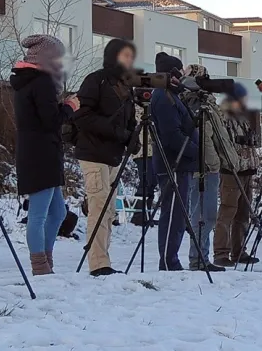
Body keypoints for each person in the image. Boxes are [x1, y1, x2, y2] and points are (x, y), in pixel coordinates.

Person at [11, 34, 78, 275]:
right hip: (41, 153)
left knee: (58, 212)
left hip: (39, 151)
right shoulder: (41, 83)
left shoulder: (26, 81)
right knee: (38, 214)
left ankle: (46, 259)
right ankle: (40, 265)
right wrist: (70, 107)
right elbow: (51, 121)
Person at [73, 39, 138, 276]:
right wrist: (116, 132)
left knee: (108, 210)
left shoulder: (125, 85)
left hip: (112, 155)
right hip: (93, 153)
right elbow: (82, 115)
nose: (129, 60)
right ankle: (98, 263)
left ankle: (103, 259)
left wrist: (132, 136)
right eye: (124, 55)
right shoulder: (95, 80)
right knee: (99, 206)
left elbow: (128, 118)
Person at [180, 64, 235, 272]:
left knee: (206, 214)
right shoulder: (192, 103)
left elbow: (219, 136)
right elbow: (207, 138)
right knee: (203, 214)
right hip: (202, 167)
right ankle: (198, 259)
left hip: (209, 165)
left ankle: (201, 256)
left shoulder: (205, 104)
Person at [151, 52, 199, 271]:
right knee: (173, 214)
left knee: (179, 213)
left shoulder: (172, 96)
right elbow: (171, 135)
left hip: (180, 163)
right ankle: (169, 259)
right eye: (179, 73)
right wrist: (194, 151)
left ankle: (171, 257)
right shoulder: (163, 97)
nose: (182, 77)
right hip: (173, 163)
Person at [213, 83, 260, 267]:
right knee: (227, 210)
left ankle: (239, 250)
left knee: (243, 213)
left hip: (246, 168)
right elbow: (224, 144)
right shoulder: (223, 118)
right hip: (231, 170)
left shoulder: (242, 118)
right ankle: (221, 252)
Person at [130, 104, 158, 227]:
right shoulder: (135, 108)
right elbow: (138, 130)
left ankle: (146, 214)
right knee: (146, 183)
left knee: (151, 183)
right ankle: (138, 215)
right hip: (142, 151)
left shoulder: (152, 108)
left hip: (152, 151)